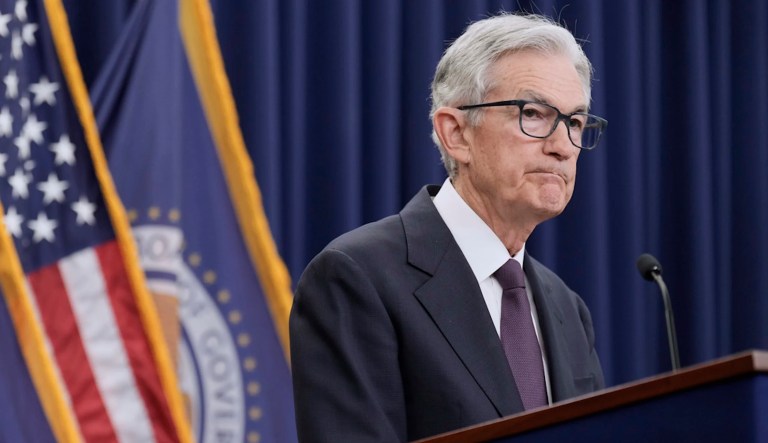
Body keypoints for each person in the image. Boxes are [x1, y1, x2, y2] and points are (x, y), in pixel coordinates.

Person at [290, 12, 607, 442]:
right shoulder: (357, 278)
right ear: (456, 133)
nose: (562, 146)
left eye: (574, 122)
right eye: (533, 114)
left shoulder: (567, 307)